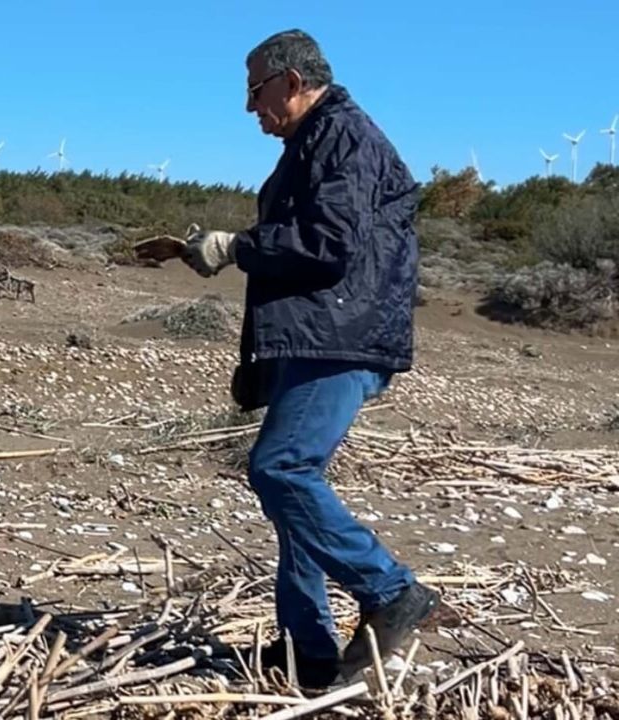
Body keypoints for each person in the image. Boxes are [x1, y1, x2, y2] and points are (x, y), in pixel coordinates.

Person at [137, 29, 437, 689]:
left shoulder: (344, 135)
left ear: (291, 83)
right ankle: (308, 647)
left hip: (340, 336)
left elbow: (329, 242)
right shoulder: (317, 140)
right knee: (291, 494)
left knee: (282, 470)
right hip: (318, 335)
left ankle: (390, 591)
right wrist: (219, 249)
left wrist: (236, 247)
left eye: (254, 90)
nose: (250, 107)